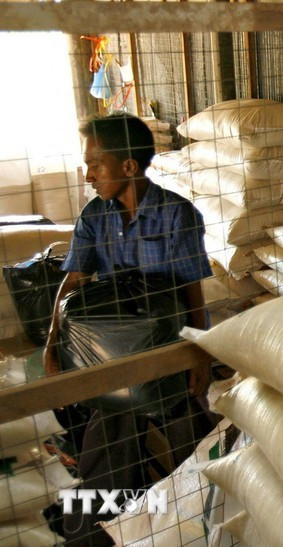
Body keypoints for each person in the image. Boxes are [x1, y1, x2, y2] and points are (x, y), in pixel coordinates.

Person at [43, 112, 216, 545]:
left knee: (192, 448)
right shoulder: (93, 216)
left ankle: (197, 525)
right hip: (111, 354)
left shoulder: (178, 215)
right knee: (103, 456)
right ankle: (96, 535)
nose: (88, 175)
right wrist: (51, 344)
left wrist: (200, 354)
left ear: (127, 167)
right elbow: (74, 282)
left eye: (94, 165)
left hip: (167, 353)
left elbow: (191, 290)